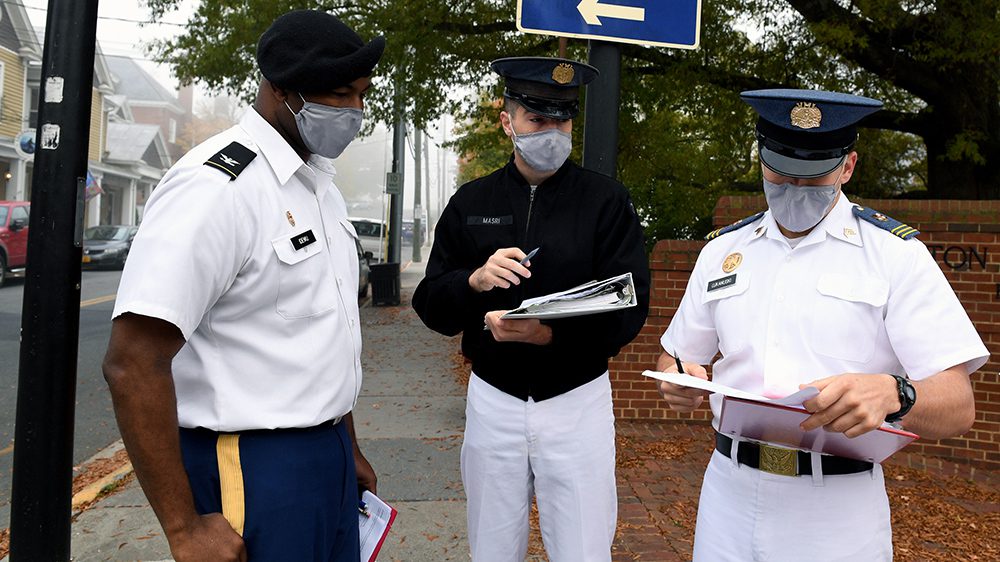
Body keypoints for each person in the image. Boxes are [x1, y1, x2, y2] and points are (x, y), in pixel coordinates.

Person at [655, 88, 989, 561]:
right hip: (727, 494)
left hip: (836, 511)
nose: (792, 187)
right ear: (760, 158)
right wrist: (677, 377)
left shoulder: (894, 256)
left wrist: (896, 393)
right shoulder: (722, 253)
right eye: (779, 172)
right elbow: (675, 353)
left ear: (847, 166)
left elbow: (959, 403)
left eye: (812, 177)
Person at [102, 10, 384, 561]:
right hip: (251, 465)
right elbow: (133, 360)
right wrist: (184, 528)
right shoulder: (216, 188)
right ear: (279, 90)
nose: (353, 112)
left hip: (324, 457)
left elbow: (321, 331)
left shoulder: (317, 185)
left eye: (361, 95)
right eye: (337, 95)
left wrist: (343, 444)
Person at [413, 56, 650, 561]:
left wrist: (553, 336)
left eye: (561, 119)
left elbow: (631, 306)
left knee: (583, 547)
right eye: (537, 119)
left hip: (576, 398)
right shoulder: (471, 201)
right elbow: (431, 305)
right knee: (493, 546)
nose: (551, 131)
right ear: (508, 120)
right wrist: (473, 281)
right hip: (493, 398)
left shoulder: (605, 202)